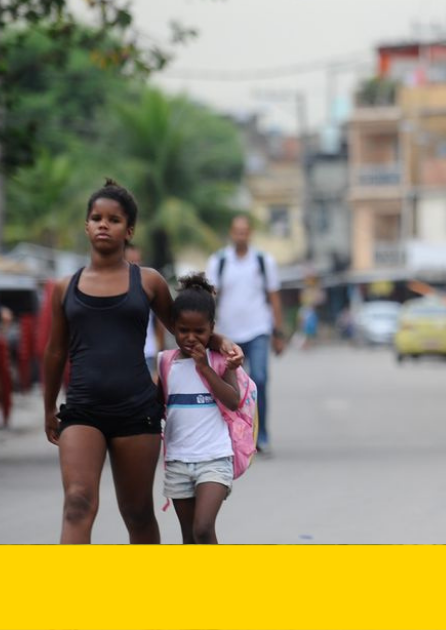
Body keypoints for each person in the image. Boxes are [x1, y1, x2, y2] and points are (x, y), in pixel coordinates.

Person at [42, 178, 242, 544]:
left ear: (129, 230)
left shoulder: (147, 282)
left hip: (136, 412)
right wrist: (48, 408)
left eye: (114, 219)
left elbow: (185, 331)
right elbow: (55, 351)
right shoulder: (64, 287)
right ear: (86, 225)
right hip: (82, 409)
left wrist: (222, 340)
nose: (104, 224)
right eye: (96, 217)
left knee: (136, 512)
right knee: (77, 502)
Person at [157, 274, 240, 544]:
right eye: (183, 331)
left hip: (214, 459)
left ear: (212, 328)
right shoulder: (165, 363)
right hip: (178, 461)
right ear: (173, 327)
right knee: (190, 537)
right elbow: (158, 405)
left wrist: (204, 368)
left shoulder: (219, 360)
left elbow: (233, 400)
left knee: (203, 528)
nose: (191, 338)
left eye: (200, 331)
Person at [206, 215, 284, 454]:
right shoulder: (219, 261)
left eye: (245, 231)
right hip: (228, 334)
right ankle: (233, 435)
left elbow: (273, 297)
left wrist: (278, 332)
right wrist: (208, 332)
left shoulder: (263, 261)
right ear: (231, 233)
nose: (241, 235)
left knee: (259, 379)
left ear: (250, 233)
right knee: (230, 388)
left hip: (258, 329)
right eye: (236, 231)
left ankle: (261, 435)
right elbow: (210, 297)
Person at [125, 245, 164, 376]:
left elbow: (159, 323)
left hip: (148, 355)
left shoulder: (149, 286)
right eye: (131, 262)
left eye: (138, 261)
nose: (135, 266)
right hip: (124, 357)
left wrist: (159, 354)